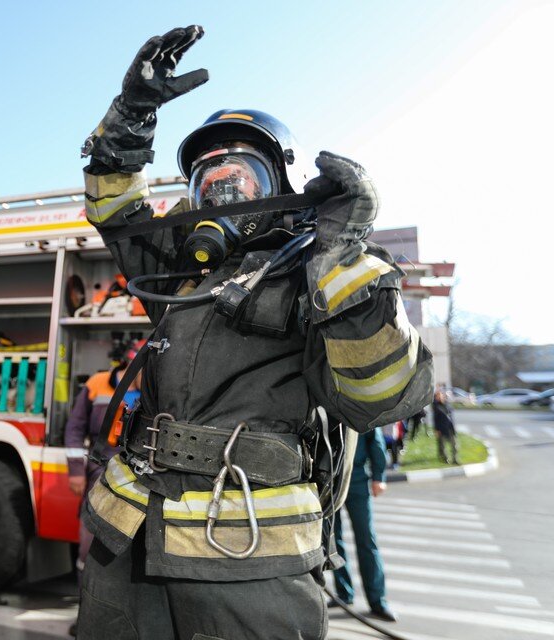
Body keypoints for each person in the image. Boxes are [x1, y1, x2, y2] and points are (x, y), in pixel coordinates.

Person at [75, 26, 433, 639]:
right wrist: (131, 115)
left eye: (238, 174)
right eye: (205, 177)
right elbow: (112, 205)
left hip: (246, 561)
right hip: (126, 543)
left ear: (279, 183)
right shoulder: (179, 267)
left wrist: (341, 258)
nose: (217, 189)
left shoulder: (321, 272)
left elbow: (382, 398)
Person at [65, 338, 142, 636]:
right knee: (88, 548)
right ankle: (85, 614)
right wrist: (75, 472)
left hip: (136, 476)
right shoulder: (98, 384)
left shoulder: (152, 391)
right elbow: (74, 428)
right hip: (100, 473)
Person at [331, 427, 396, 621]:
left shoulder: (356, 402)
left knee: (367, 540)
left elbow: (375, 440)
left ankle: (377, 601)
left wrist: (379, 477)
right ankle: (344, 594)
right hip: (330, 481)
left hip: (357, 479)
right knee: (333, 542)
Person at [433, 388, 459, 464]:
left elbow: (450, 415)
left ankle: (454, 459)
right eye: (438, 396)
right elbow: (435, 419)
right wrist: (436, 429)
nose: (440, 397)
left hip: (450, 427)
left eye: (441, 395)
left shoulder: (447, 404)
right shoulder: (436, 406)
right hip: (441, 428)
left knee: (454, 444)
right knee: (442, 445)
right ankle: (445, 459)